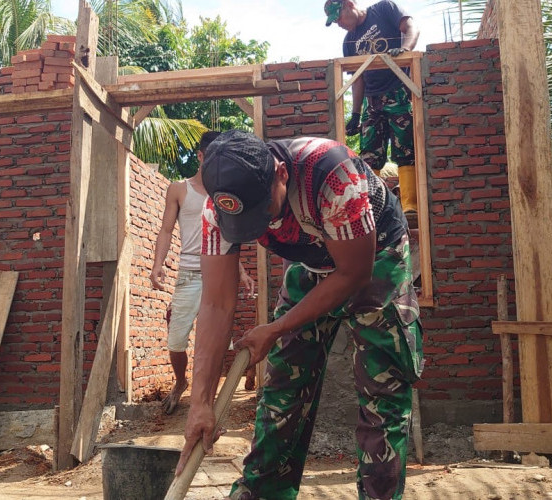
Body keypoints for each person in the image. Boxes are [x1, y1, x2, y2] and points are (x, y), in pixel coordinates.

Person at [176, 130, 424, 500]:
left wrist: (276, 328)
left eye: (265, 214)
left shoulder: (332, 175)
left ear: (281, 173)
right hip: (312, 260)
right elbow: (215, 304)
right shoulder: (220, 208)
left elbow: (354, 273)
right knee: (282, 389)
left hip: (375, 255)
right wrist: (199, 404)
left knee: (381, 394)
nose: (260, 229)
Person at [150, 131, 255, 415]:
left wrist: (241, 272)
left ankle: (207, 398)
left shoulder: (224, 194)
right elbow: (166, 230)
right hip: (189, 274)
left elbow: (228, 237)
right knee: (176, 341)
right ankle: (181, 382)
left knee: (218, 341)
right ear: (200, 156)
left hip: (219, 275)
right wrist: (157, 264)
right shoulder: (179, 189)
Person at [326, 0, 420, 225]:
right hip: (372, 101)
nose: (339, 24)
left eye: (338, 17)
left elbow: (412, 27)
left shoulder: (384, 8)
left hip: (398, 91)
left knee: (405, 147)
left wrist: (405, 49)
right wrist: (356, 114)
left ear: (349, 5)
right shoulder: (349, 42)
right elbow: (357, 79)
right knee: (369, 155)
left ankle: (410, 205)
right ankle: (372, 207)